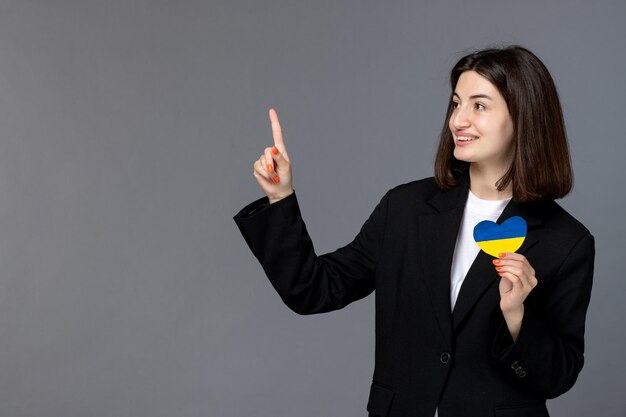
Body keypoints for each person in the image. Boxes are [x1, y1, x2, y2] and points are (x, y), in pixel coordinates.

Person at [233, 45, 594, 417]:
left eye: (479, 106)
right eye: (456, 103)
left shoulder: (566, 241)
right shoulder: (405, 209)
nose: (458, 120)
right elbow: (312, 290)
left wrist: (517, 316)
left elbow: (558, 377)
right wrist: (281, 197)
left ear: (524, 117)